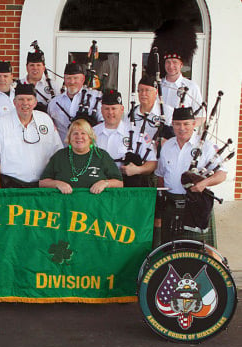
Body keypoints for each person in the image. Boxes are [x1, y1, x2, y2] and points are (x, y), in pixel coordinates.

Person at [155, 107, 226, 245]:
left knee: (200, 251)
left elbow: (222, 174)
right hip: (171, 204)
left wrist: (204, 183)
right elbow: (160, 176)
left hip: (196, 205)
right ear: (172, 124)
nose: (182, 128)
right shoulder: (167, 146)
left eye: (186, 124)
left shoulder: (206, 146)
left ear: (194, 124)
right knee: (169, 249)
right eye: (177, 124)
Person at [0, 83, 63, 188]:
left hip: (42, 185)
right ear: (14, 102)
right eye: (21, 99)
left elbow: (58, 153)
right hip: (11, 185)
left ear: (35, 102)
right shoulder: (1, 123)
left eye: (29, 99)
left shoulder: (45, 119)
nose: (25, 103)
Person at [40, 119, 123, 194]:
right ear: (69, 137)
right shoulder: (59, 156)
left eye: (83, 133)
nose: (79, 137)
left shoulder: (101, 155)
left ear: (90, 138)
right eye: (75, 133)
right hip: (65, 206)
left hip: (95, 206)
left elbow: (119, 183)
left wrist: (105, 183)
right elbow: (43, 182)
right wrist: (58, 184)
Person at [93, 90, 157, 186]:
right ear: (101, 110)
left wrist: (138, 170)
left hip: (127, 188)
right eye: (107, 109)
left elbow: (152, 162)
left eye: (114, 108)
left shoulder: (137, 133)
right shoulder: (91, 133)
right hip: (98, 186)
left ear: (122, 109)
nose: (110, 112)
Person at [47, 63, 102, 144]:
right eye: (68, 78)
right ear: (64, 80)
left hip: (89, 150)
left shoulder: (95, 98)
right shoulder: (54, 103)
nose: (72, 82)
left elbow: (103, 123)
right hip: (63, 150)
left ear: (83, 79)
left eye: (76, 78)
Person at [128, 74, 174, 141]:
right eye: (140, 90)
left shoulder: (168, 112)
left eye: (147, 90)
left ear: (156, 93)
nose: (143, 94)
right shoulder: (131, 113)